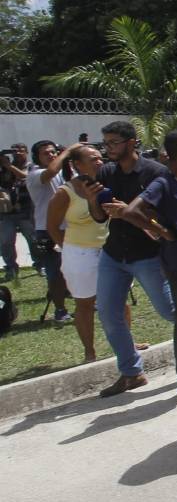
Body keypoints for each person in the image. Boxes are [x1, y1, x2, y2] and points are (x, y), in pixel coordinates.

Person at [93, 121, 177, 398]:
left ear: (131, 142)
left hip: (175, 258)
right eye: (107, 143)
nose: (108, 148)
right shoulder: (127, 176)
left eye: (113, 142)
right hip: (136, 255)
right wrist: (163, 233)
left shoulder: (167, 176)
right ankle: (158, 377)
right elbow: (121, 211)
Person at [46, 145, 108, 362]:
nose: (99, 162)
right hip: (80, 254)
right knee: (85, 304)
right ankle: (89, 351)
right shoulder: (66, 192)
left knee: (117, 300)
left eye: (101, 158)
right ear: (77, 165)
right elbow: (52, 226)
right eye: (93, 159)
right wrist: (70, 250)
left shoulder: (106, 184)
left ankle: (125, 341)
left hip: (109, 252)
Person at [27, 141, 79, 321]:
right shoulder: (35, 174)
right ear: (36, 157)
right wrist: (67, 153)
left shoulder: (64, 171)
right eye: (45, 153)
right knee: (55, 272)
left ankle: (86, 300)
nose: (51, 155)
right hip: (47, 230)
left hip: (71, 226)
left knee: (78, 267)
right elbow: (50, 173)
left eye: (53, 152)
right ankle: (60, 310)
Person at [1, 143, 35, 281]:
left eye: (21, 151)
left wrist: (9, 166)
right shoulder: (5, 168)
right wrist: (4, 166)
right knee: (6, 242)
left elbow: (25, 178)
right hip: (6, 212)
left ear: (26, 152)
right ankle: (11, 268)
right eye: (15, 151)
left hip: (26, 210)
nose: (18, 153)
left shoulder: (32, 166)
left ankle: (40, 264)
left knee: (33, 240)